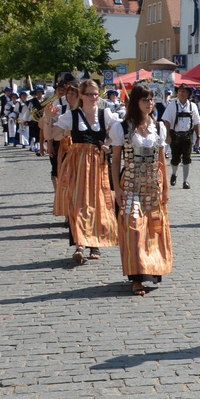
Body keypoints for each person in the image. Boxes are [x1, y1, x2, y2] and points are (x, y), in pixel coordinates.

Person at [111, 83, 173, 294]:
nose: (149, 103)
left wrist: (165, 187)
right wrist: (116, 190)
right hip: (130, 183)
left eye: (151, 99)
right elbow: (116, 160)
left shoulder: (158, 127)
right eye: (145, 99)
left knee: (153, 229)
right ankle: (137, 276)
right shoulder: (122, 127)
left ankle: (152, 267)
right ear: (136, 102)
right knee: (134, 228)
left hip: (153, 184)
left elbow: (162, 159)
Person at [55, 80, 120, 262]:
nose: (94, 97)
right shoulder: (72, 115)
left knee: (98, 202)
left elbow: (118, 131)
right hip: (77, 163)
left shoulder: (104, 113)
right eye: (90, 94)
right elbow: (54, 134)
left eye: (96, 94)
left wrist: (108, 144)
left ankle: (95, 244)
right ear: (81, 96)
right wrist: (48, 120)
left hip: (97, 164)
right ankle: (79, 245)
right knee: (77, 203)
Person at [162, 85, 200, 189]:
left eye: (184, 91)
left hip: (188, 135)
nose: (181, 93)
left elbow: (196, 123)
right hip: (175, 135)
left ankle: (185, 181)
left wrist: (199, 137)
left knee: (187, 158)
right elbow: (167, 121)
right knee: (175, 158)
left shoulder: (193, 106)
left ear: (188, 94)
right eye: (180, 91)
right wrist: (168, 135)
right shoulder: (172, 105)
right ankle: (174, 174)